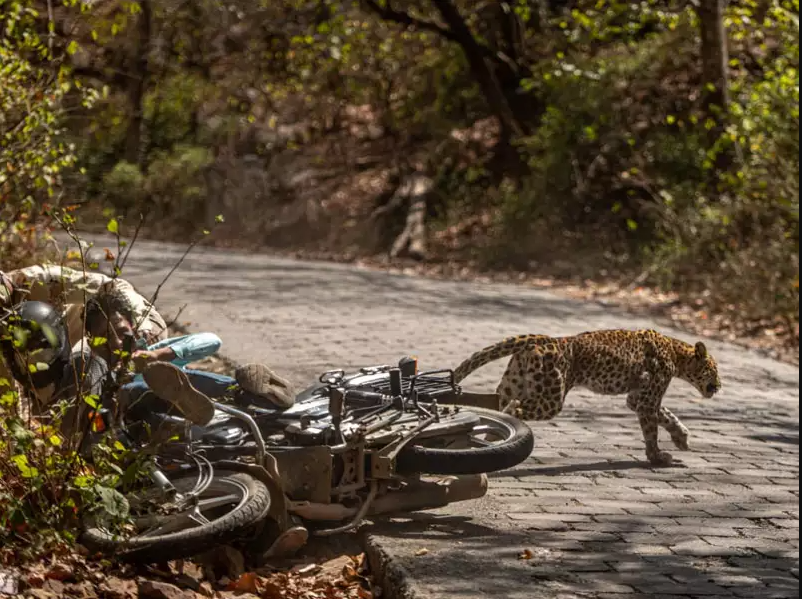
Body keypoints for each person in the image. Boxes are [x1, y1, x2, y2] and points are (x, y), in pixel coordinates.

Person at [82, 290, 296, 427]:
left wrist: (159, 355)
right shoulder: (93, 369)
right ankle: (180, 402)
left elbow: (212, 341)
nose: (117, 343)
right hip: (145, 421)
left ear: (133, 328)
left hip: (198, 401)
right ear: (92, 342)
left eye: (121, 332)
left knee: (183, 377)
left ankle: (256, 391)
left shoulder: (153, 356)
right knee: (132, 392)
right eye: (105, 337)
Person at [0, 264, 167, 413]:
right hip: (65, 359)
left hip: (133, 326)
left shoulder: (38, 280)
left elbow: (114, 288)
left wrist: (142, 329)